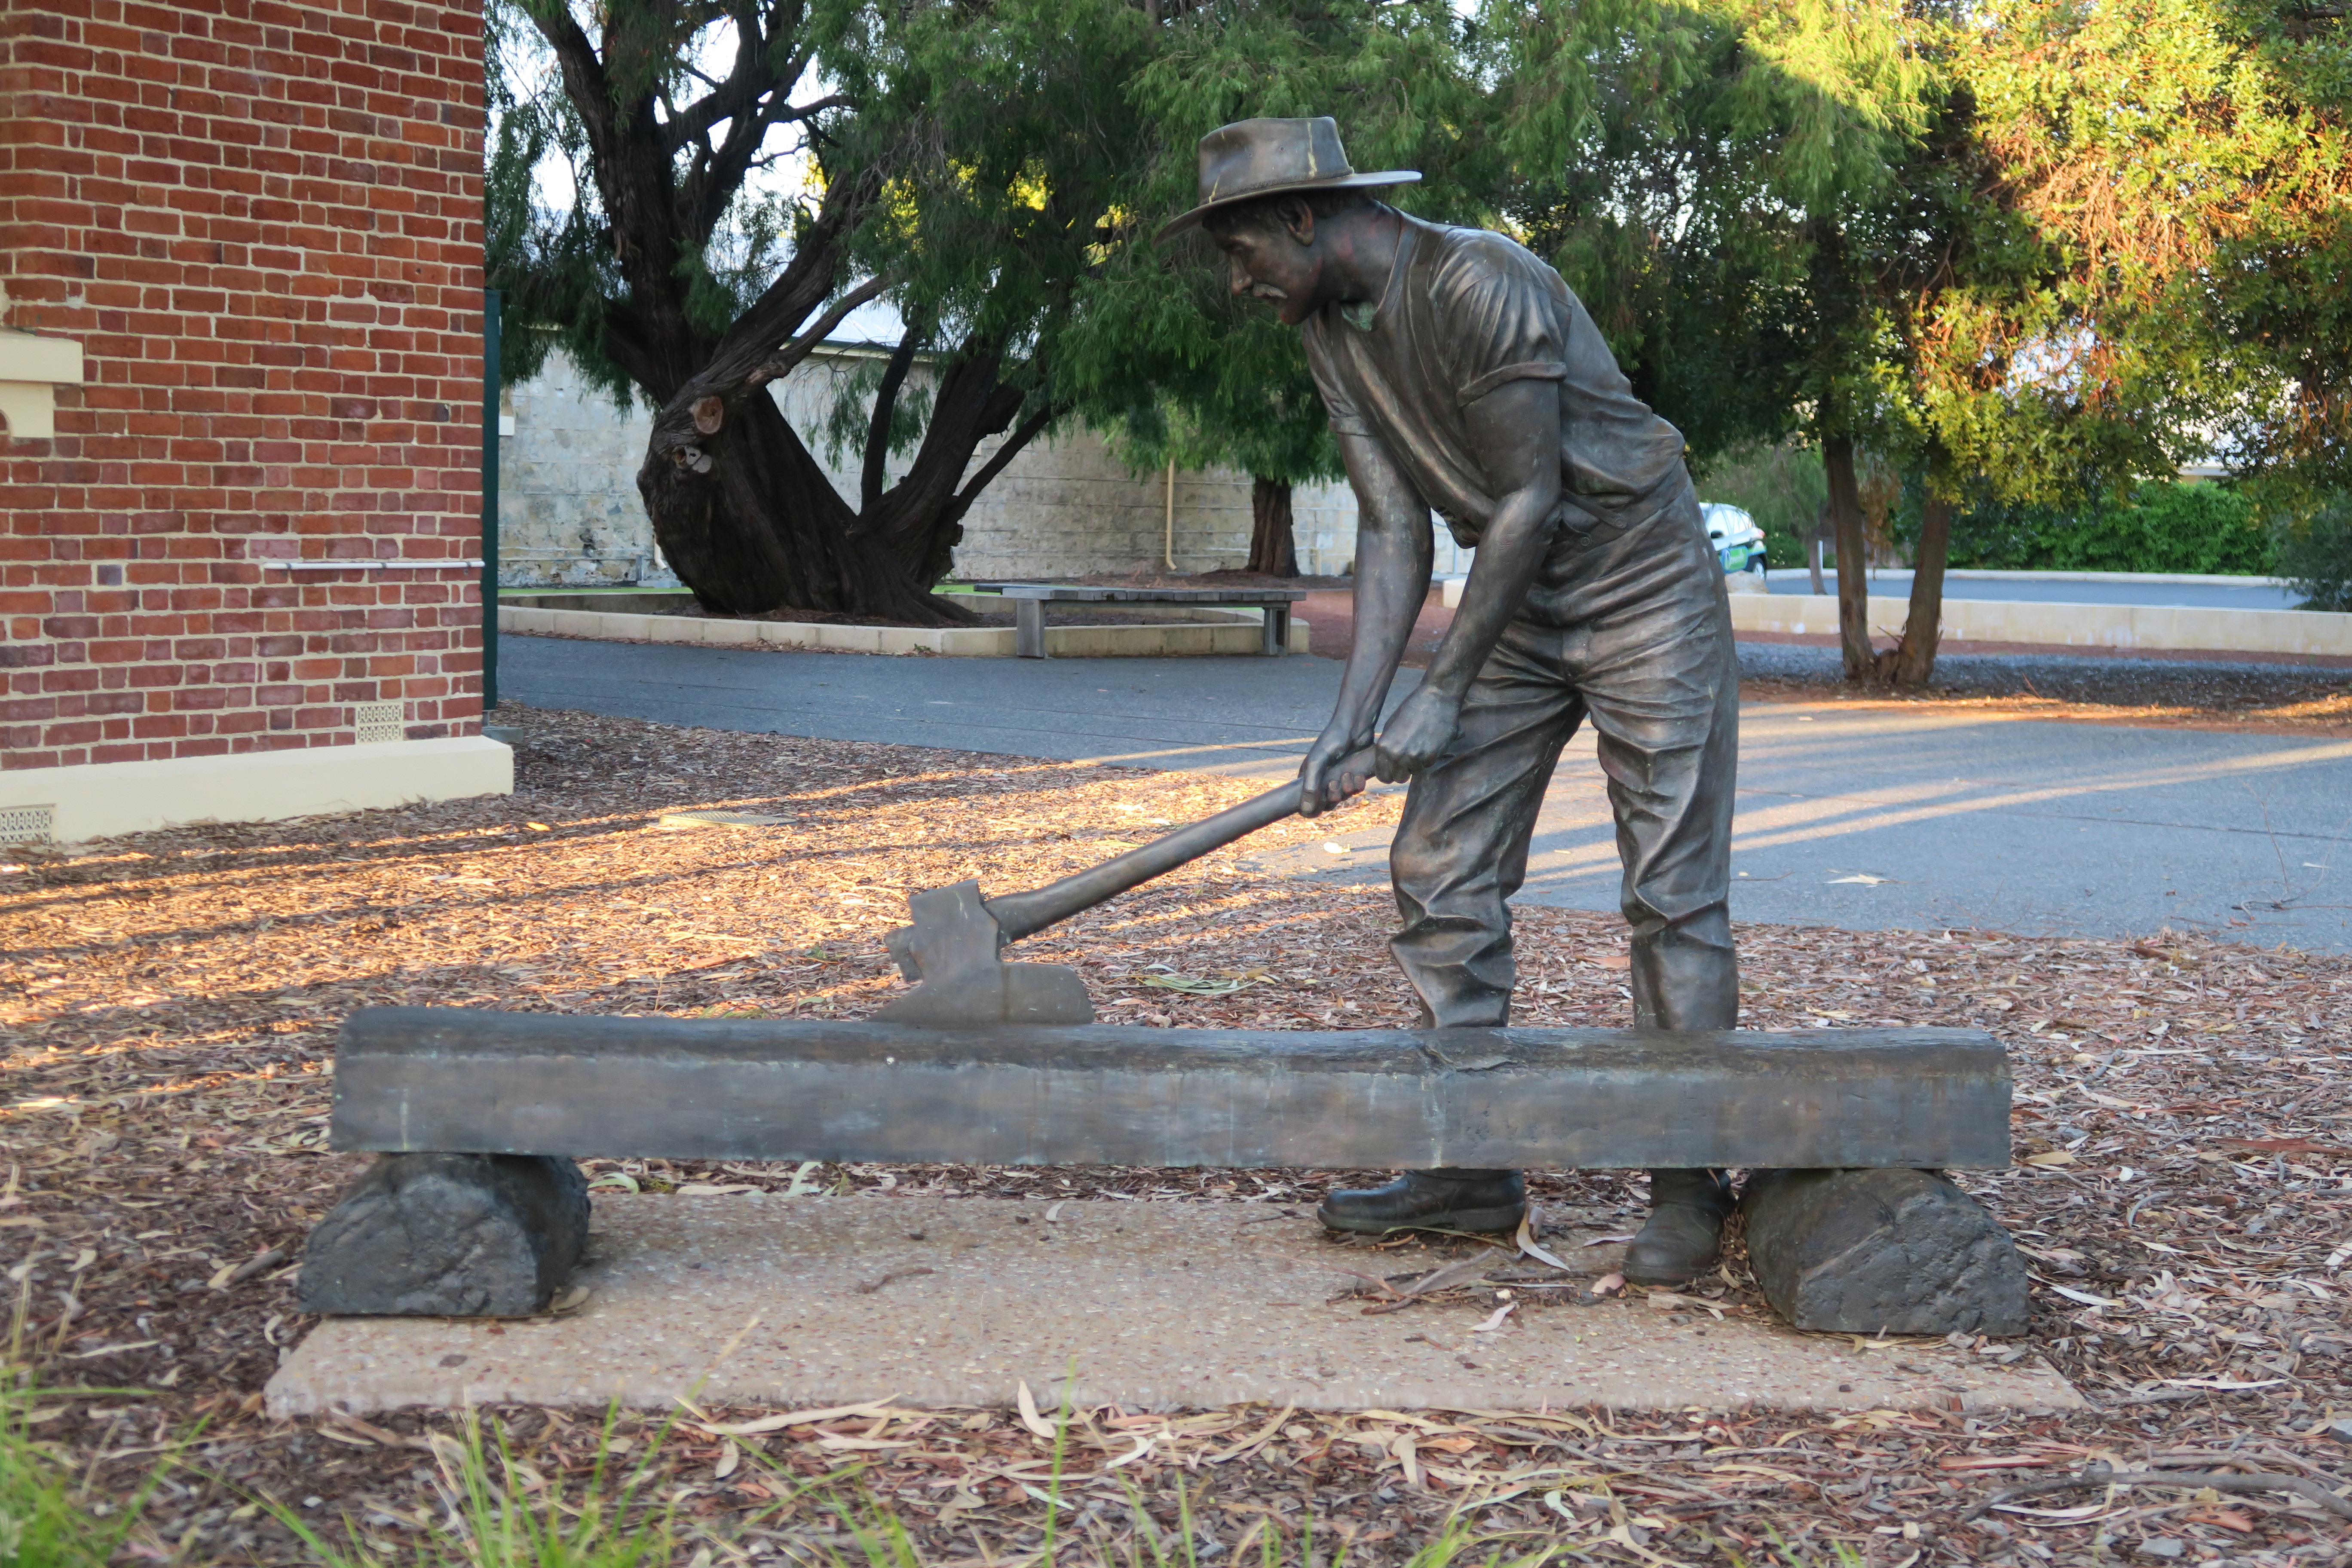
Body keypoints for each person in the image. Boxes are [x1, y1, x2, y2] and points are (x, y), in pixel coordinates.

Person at [1158, 117, 1742, 1283]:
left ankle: (1689, 1181)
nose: (1239, 283)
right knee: (1439, 865)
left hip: (1642, 581)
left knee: (1672, 891)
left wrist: (1443, 687)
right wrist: (1353, 717)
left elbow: (1529, 499)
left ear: (1304, 219)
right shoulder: (1330, 329)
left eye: (1246, 253)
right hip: (1519, 607)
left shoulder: (1481, 279)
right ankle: (1468, 1161)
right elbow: (1391, 526)